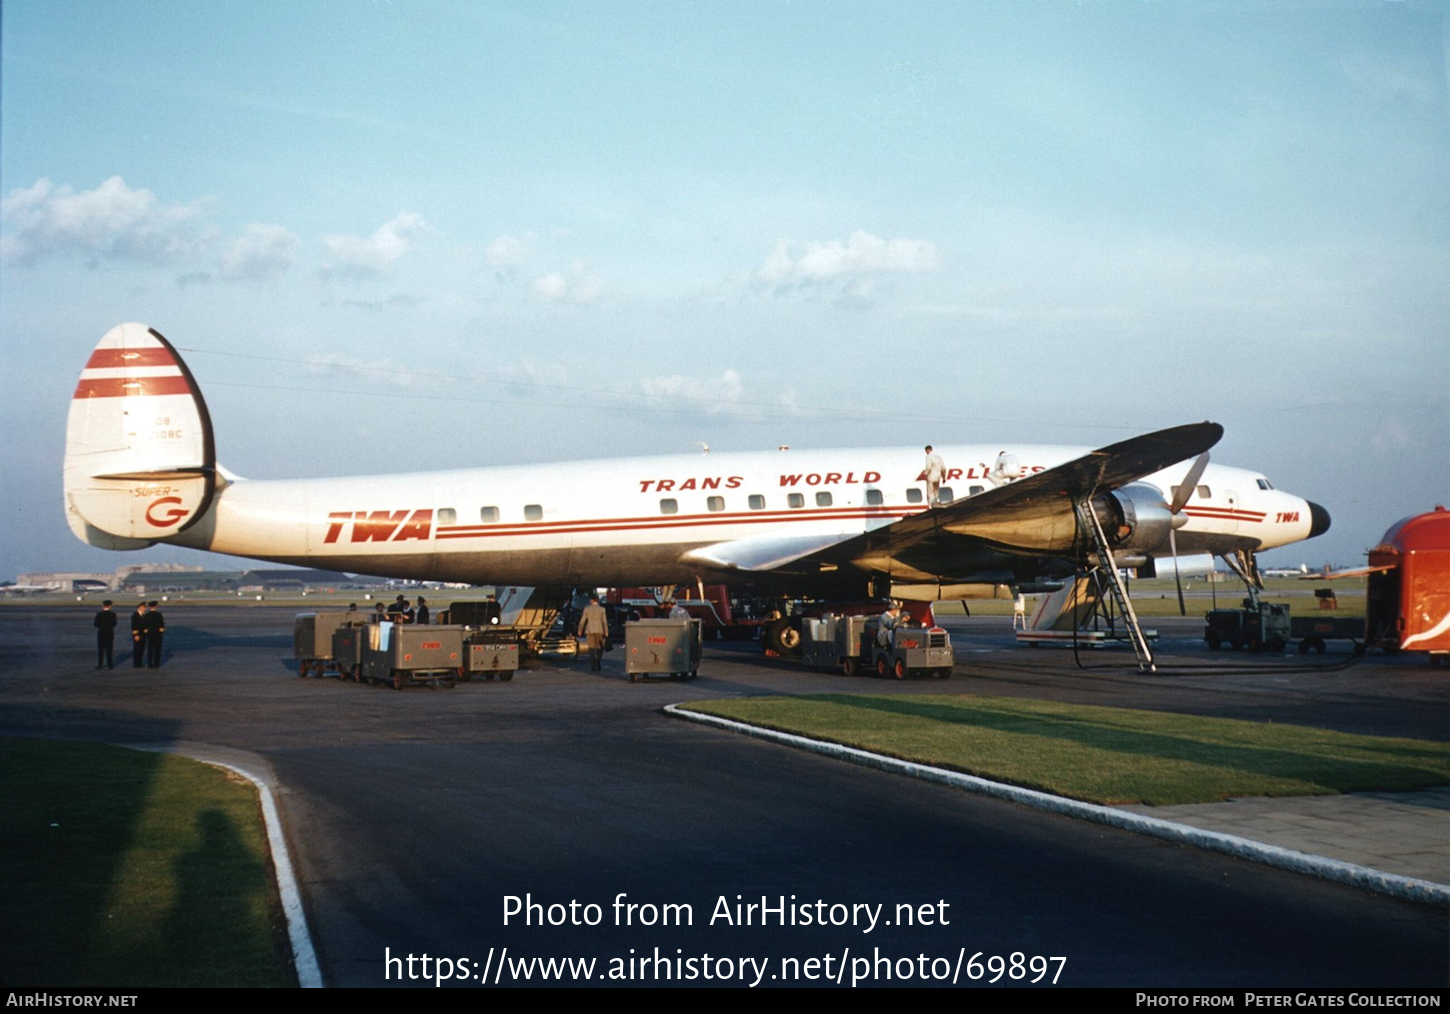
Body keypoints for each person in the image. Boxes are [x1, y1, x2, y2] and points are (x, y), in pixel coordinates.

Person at [577, 594, 609, 671]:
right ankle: (598, 661)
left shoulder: (587, 609)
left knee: (591, 648)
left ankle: (593, 665)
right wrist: (606, 631)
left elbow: (582, 621)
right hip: (599, 630)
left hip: (590, 630)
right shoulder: (602, 609)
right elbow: (604, 621)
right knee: (599, 647)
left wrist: (580, 630)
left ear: (592, 600)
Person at [93, 600, 117, 670]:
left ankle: (100, 664)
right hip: (109, 634)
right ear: (110, 606)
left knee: (101, 650)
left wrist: (102, 626)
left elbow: (96, 624)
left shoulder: (99, 614)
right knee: (109, 650)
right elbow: (114, 624)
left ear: (103, 606)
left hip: (101, 634)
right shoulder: (113, 614)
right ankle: (110, 665)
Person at [144, 601, 166, 668]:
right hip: (157, 634)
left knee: (150, 649)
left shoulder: (146, 615)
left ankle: (149, 663)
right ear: (156, 606)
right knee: (157, 649)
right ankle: (156, 663)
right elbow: (161, 625)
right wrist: (161, 631)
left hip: (150, 634)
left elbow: (145, 625)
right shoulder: (159, 615)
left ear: (150, 607)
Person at [130, 602, 148, 668]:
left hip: (143, 634)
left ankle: (140, 662)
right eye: (144, 607)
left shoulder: (144, 615)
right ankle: (136, 663)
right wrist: (136, 635)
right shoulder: (135, 615)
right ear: (140, 607)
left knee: (142, 649)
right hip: (138, 635)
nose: (145, 608)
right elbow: (134, 626)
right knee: (137, 649)